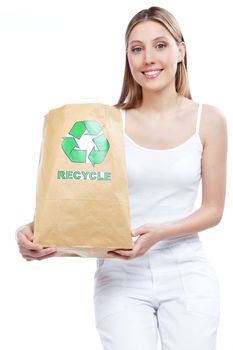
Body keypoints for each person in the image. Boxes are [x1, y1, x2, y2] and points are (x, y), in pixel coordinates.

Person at [16, 6, 227, 350]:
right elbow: (81, 197)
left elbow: (214, 209)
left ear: (180, 50)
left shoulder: (209, 120)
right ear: (127, 57)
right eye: (136, 48)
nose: (148, 58)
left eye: (160, 45)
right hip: (121, 275)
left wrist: (161, 233)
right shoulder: (107, 124)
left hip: (186, 271)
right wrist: (35, 230)